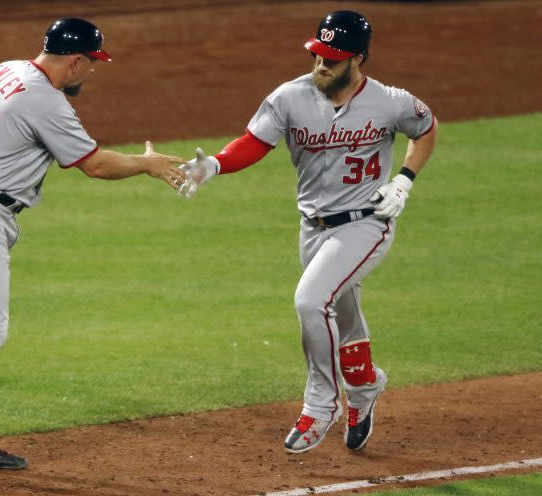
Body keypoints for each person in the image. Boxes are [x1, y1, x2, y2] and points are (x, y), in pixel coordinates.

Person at [0, 17, 186, 483]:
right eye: (91, 65)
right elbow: (96, 165)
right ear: (76, 60)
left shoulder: (2, 70)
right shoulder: (45, 99)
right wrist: (147, 164)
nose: (90, 74)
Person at [178, 10, 437, 453]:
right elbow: (254, 142)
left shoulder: (390, 101)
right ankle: (365, 387)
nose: (321, 64)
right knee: (345, 313)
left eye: (332, 58)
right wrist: (216, 164)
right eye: (318, 54)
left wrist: (404, 180)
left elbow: (426, 128)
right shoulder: (289, 97)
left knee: (310, 300)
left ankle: (322, 403)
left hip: (366, 222)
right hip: (313, 228)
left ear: (358, 60)